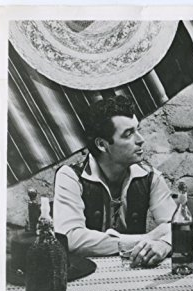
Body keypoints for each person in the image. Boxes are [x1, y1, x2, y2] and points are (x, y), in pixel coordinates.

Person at [54, 95, 176, 267]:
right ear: (102, 145)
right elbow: (71, 238)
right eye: (128, 134)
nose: (141, 139)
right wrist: (146, 238)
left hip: (135, 269)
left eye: (137, 129)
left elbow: (178, 225)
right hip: (86, 272)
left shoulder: (149, 176)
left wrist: (165, 244)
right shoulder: (71, 176)